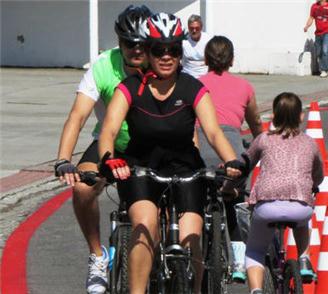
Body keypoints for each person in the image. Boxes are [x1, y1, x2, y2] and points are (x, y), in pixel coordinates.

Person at [97, 12, 245, 294]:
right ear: (148, 52)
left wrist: (231, 160)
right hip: (141, 166)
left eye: (173, 50)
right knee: (144, 226)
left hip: (186, 168)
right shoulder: (129, 88)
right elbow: (109, 131)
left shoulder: (193, 88)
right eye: (159, 50)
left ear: (180, 52)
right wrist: (109, 158)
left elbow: (213, 132)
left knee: (192, 236)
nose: (166, 56)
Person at [53, 5, 151, 294]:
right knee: (82, 189)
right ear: (119, 42)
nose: (135, 50)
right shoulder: (104, 65)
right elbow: (78, 115)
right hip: (110, 144)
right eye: (128, 43)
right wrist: (63, 159)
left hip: (151, 146)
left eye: (142, 44)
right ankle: (98, 256)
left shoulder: (162, 62)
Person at [198, 35, 263, 282]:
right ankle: (238, 260)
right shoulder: (244, 87)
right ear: (232, 60)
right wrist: (261, 143)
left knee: (198, 198)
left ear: (205, 59)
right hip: (232, 148)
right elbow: (255, 122)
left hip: (201, 144)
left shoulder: (196, 84)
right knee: (234, 201)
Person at [244, 92, 323, 294]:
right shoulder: (309, 142)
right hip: (300, 206)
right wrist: (312, 185)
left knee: (255, 250)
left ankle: (256, 291)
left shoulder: (263, 140)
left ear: (273, 115)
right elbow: (318, 175)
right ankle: (304, 259)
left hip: (267, 206)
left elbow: (246, 164)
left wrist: (230, 186)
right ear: (301, 117)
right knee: (302, 218)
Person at [181, 14, 210, 78]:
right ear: (188, 27)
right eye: (191, 28)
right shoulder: (183, 40)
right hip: (187, 76)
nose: (194, 31)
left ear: (201, 27)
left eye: (197, 28)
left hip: (204, 77)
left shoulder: (208, 40)